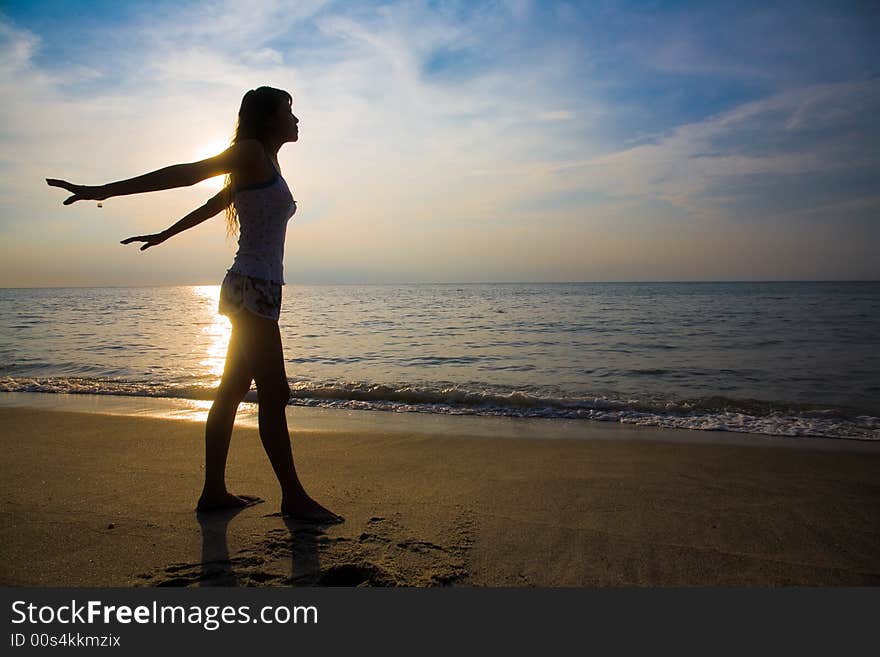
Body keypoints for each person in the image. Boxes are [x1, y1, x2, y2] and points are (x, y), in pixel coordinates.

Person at [46, 86, 343, 524]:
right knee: (274, 394)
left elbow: (213, 205)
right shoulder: (249, 151)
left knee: (232, 391)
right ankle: (293, 497)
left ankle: (213, 492)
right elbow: (186, 174)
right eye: (289, 111)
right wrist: (102, 190)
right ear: (267, 118)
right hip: (252, 289)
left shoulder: (265, 162)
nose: (297, 120)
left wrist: (163, 234)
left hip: (256, 288)